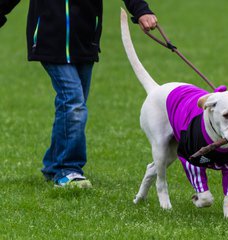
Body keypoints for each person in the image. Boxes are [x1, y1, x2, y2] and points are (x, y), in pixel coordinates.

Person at [0, 0, 157, 188]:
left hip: (85, 41)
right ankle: (67, 169)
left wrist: (141, 10)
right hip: (49, 40)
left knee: (72, 105)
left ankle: (53, 165)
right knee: (73, 103)